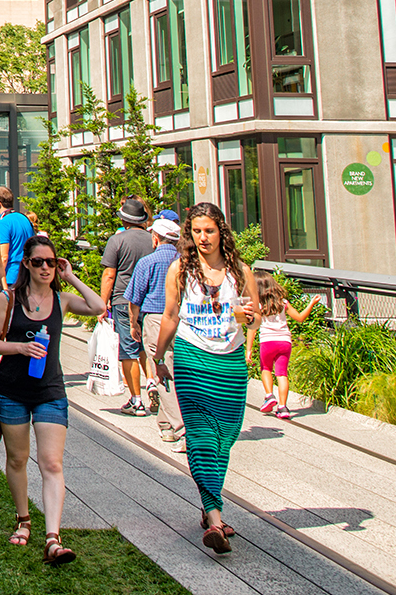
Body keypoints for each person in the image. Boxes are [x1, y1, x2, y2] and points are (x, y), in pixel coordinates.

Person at [0, 233, 105, 568]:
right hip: (12, 391)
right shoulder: (8, 299)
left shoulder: (62, 299)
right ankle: (23, 518)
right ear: (26, 264)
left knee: (52, 463)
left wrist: (71, 277)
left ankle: (53, 537)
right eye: (38, 262)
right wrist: (20, 348)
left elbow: (98, 307)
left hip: (50, 391)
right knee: (18, 459)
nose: (45, 268)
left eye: (51, 262)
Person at [152, 202, 259, 555]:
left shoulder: (239, 271)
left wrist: (246, 318)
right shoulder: (181, 269)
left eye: (209, 231)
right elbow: (169, 315)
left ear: (221, 232)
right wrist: (157, 356)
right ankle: (215, 519)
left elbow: (254, 318)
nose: (203, 238)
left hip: (229, 362)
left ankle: (208, 504)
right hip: (192, 356)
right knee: (200, 436)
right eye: (196, 231)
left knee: (224, 438)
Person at [126, 217, 184, 445]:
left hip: (155, 320)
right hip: (184, 321)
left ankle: (179, 428)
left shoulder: (147, 262)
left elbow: (134, 299)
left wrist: (134, 323)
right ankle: (165, 424)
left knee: (161, 372)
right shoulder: (185, 262)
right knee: (177, 369)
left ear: (156, 238)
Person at [100, 198, 157, 416]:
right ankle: (151, 381)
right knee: (146, 347)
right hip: (149, 301)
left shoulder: (117, 240)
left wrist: (102, 303)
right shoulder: (153, 240)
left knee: (128, 350)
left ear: (124, 219)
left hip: (123, 299)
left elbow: (109, 274)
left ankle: (136, 400)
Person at [248, 273, 324, 420]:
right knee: (282, 374)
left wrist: (249, 349)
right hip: (284, 342)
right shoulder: (283, 303)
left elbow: (253, 327)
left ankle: (269, 395)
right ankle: (283, 407)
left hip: (267, 342)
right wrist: (311, 303)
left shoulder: (258, 305)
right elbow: (300, 318)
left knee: (266, 369)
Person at [0, 187, 35, 288]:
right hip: (28, 274)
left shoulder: (3, 223)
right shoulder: (24, 218)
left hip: (11, 276)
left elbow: (3, 257)